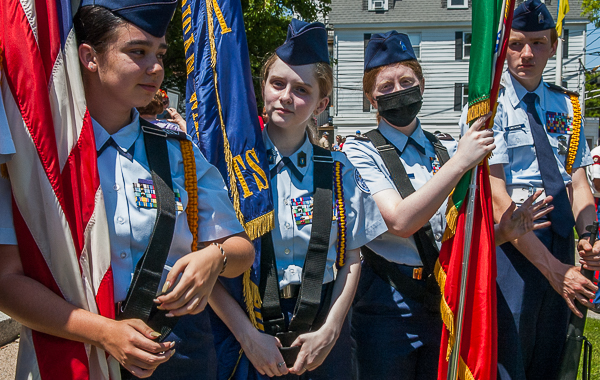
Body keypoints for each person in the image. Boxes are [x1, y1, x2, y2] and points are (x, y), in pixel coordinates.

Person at [0, 1, 255, 379]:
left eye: (160, 53)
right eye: (137, 51)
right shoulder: (44, 165)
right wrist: (104, 332)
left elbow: (241, 249)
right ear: (89, 57)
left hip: (179, 351)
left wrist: (213, 259)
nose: (155, 68)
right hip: (77, 349)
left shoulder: (179, 152)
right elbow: (6, 281)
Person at [343, 31, 555, 380]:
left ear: (422, 86)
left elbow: (456, 234)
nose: (398, 92)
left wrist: (503, 231)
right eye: (386, 86)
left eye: (406, 81)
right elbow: (400, 221)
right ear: (371, 98)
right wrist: (460, 163)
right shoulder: (359, 150)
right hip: (388, 301)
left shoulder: (443, 148)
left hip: (446, 294)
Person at [208, 19, 387, 379]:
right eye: (277, 83)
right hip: (246, 328)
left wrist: (332, 329)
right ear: (263, 87)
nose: (286, 97)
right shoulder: (231, 168)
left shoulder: (339, 170)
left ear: (321, 104)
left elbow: (352, 257)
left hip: (320, 329)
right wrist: (247, 336)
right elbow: (206, 263)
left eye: (302, 90)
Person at [458, 1, 600, 378]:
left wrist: (589, 234)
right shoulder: (488, 106)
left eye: (538, 43)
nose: (527, 54)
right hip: (514, 247)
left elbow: (579, 182)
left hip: (560, 242)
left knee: (554, 356)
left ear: (554, 46)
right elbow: (497, 195)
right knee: (510, 357)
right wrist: (555, 270)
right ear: (503, 46)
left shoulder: (566, 105)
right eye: (517, 43)